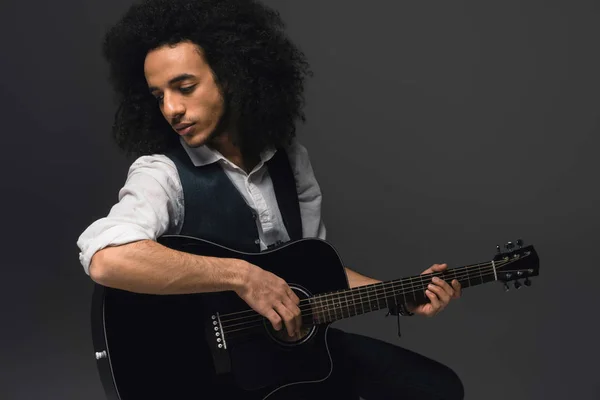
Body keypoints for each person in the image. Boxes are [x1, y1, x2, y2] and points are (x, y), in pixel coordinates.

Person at [77, 0, 465, 398]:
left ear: (232, 76)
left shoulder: (290, 161)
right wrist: (243, 276)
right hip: (218, 379)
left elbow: (313, 275)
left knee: (437, 388)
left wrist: (399, 294)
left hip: (290, 356)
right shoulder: (162, 172)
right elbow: (108, 260)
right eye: (158, 96)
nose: (172, 109)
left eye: (185, 87)